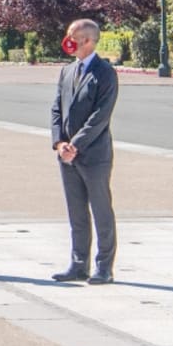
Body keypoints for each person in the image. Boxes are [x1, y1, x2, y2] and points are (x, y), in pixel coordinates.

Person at [50, 18, 119, 285]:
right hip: (67, 154)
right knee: (76, 212)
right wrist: (60, 143)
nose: (68, 41)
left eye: (73, 37)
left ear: (88, 41)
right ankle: (79, 264)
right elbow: (56, 109)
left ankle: (104, 267)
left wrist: (75, 144)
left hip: (94, 155)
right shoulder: (67, 71)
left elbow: (100, 117)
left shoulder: (105, 73)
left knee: (101, 211)